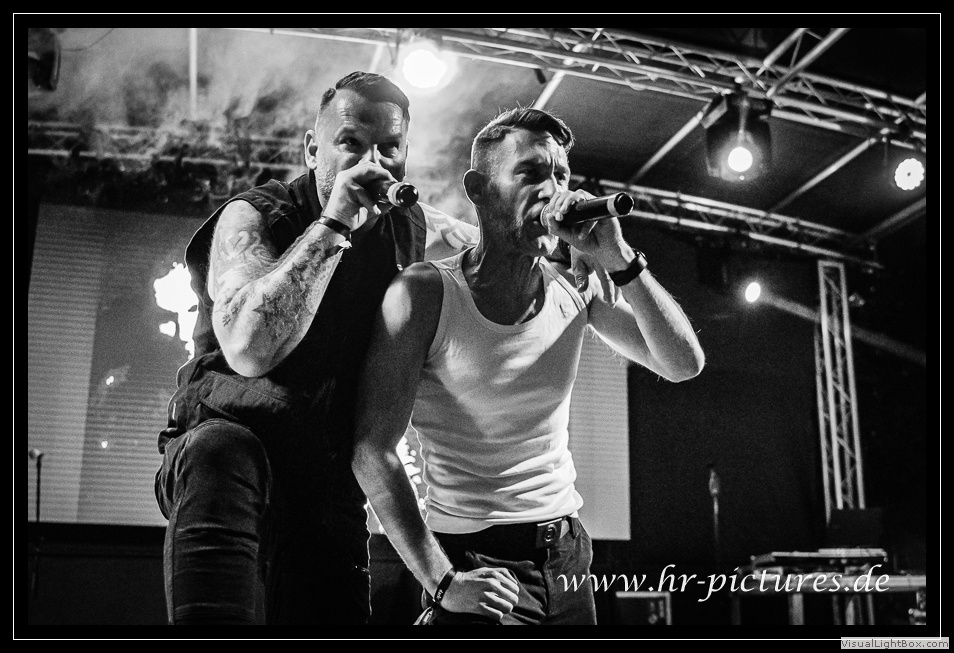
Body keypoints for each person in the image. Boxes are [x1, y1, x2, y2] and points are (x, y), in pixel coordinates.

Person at [153, 71, 487, 625]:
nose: (371, 161)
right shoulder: (255, 215)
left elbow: (480, 245)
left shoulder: (407, 223)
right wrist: (333, 223)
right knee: (221, 449)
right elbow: (249, 350)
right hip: (229, 450)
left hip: (324, 476)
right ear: (313, 149)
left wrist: (562, 255)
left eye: (389, 147)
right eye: (350, 142)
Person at [352, 107, 706, 625]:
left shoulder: (576, 284)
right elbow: (371, 448)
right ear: (479, 190)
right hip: (474, 557)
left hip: (566, 552)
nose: (553, 190)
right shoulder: (426, 292)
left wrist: (618, 257)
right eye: (531, 173)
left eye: (561, 175)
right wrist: (442, 580)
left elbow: (683, 364)